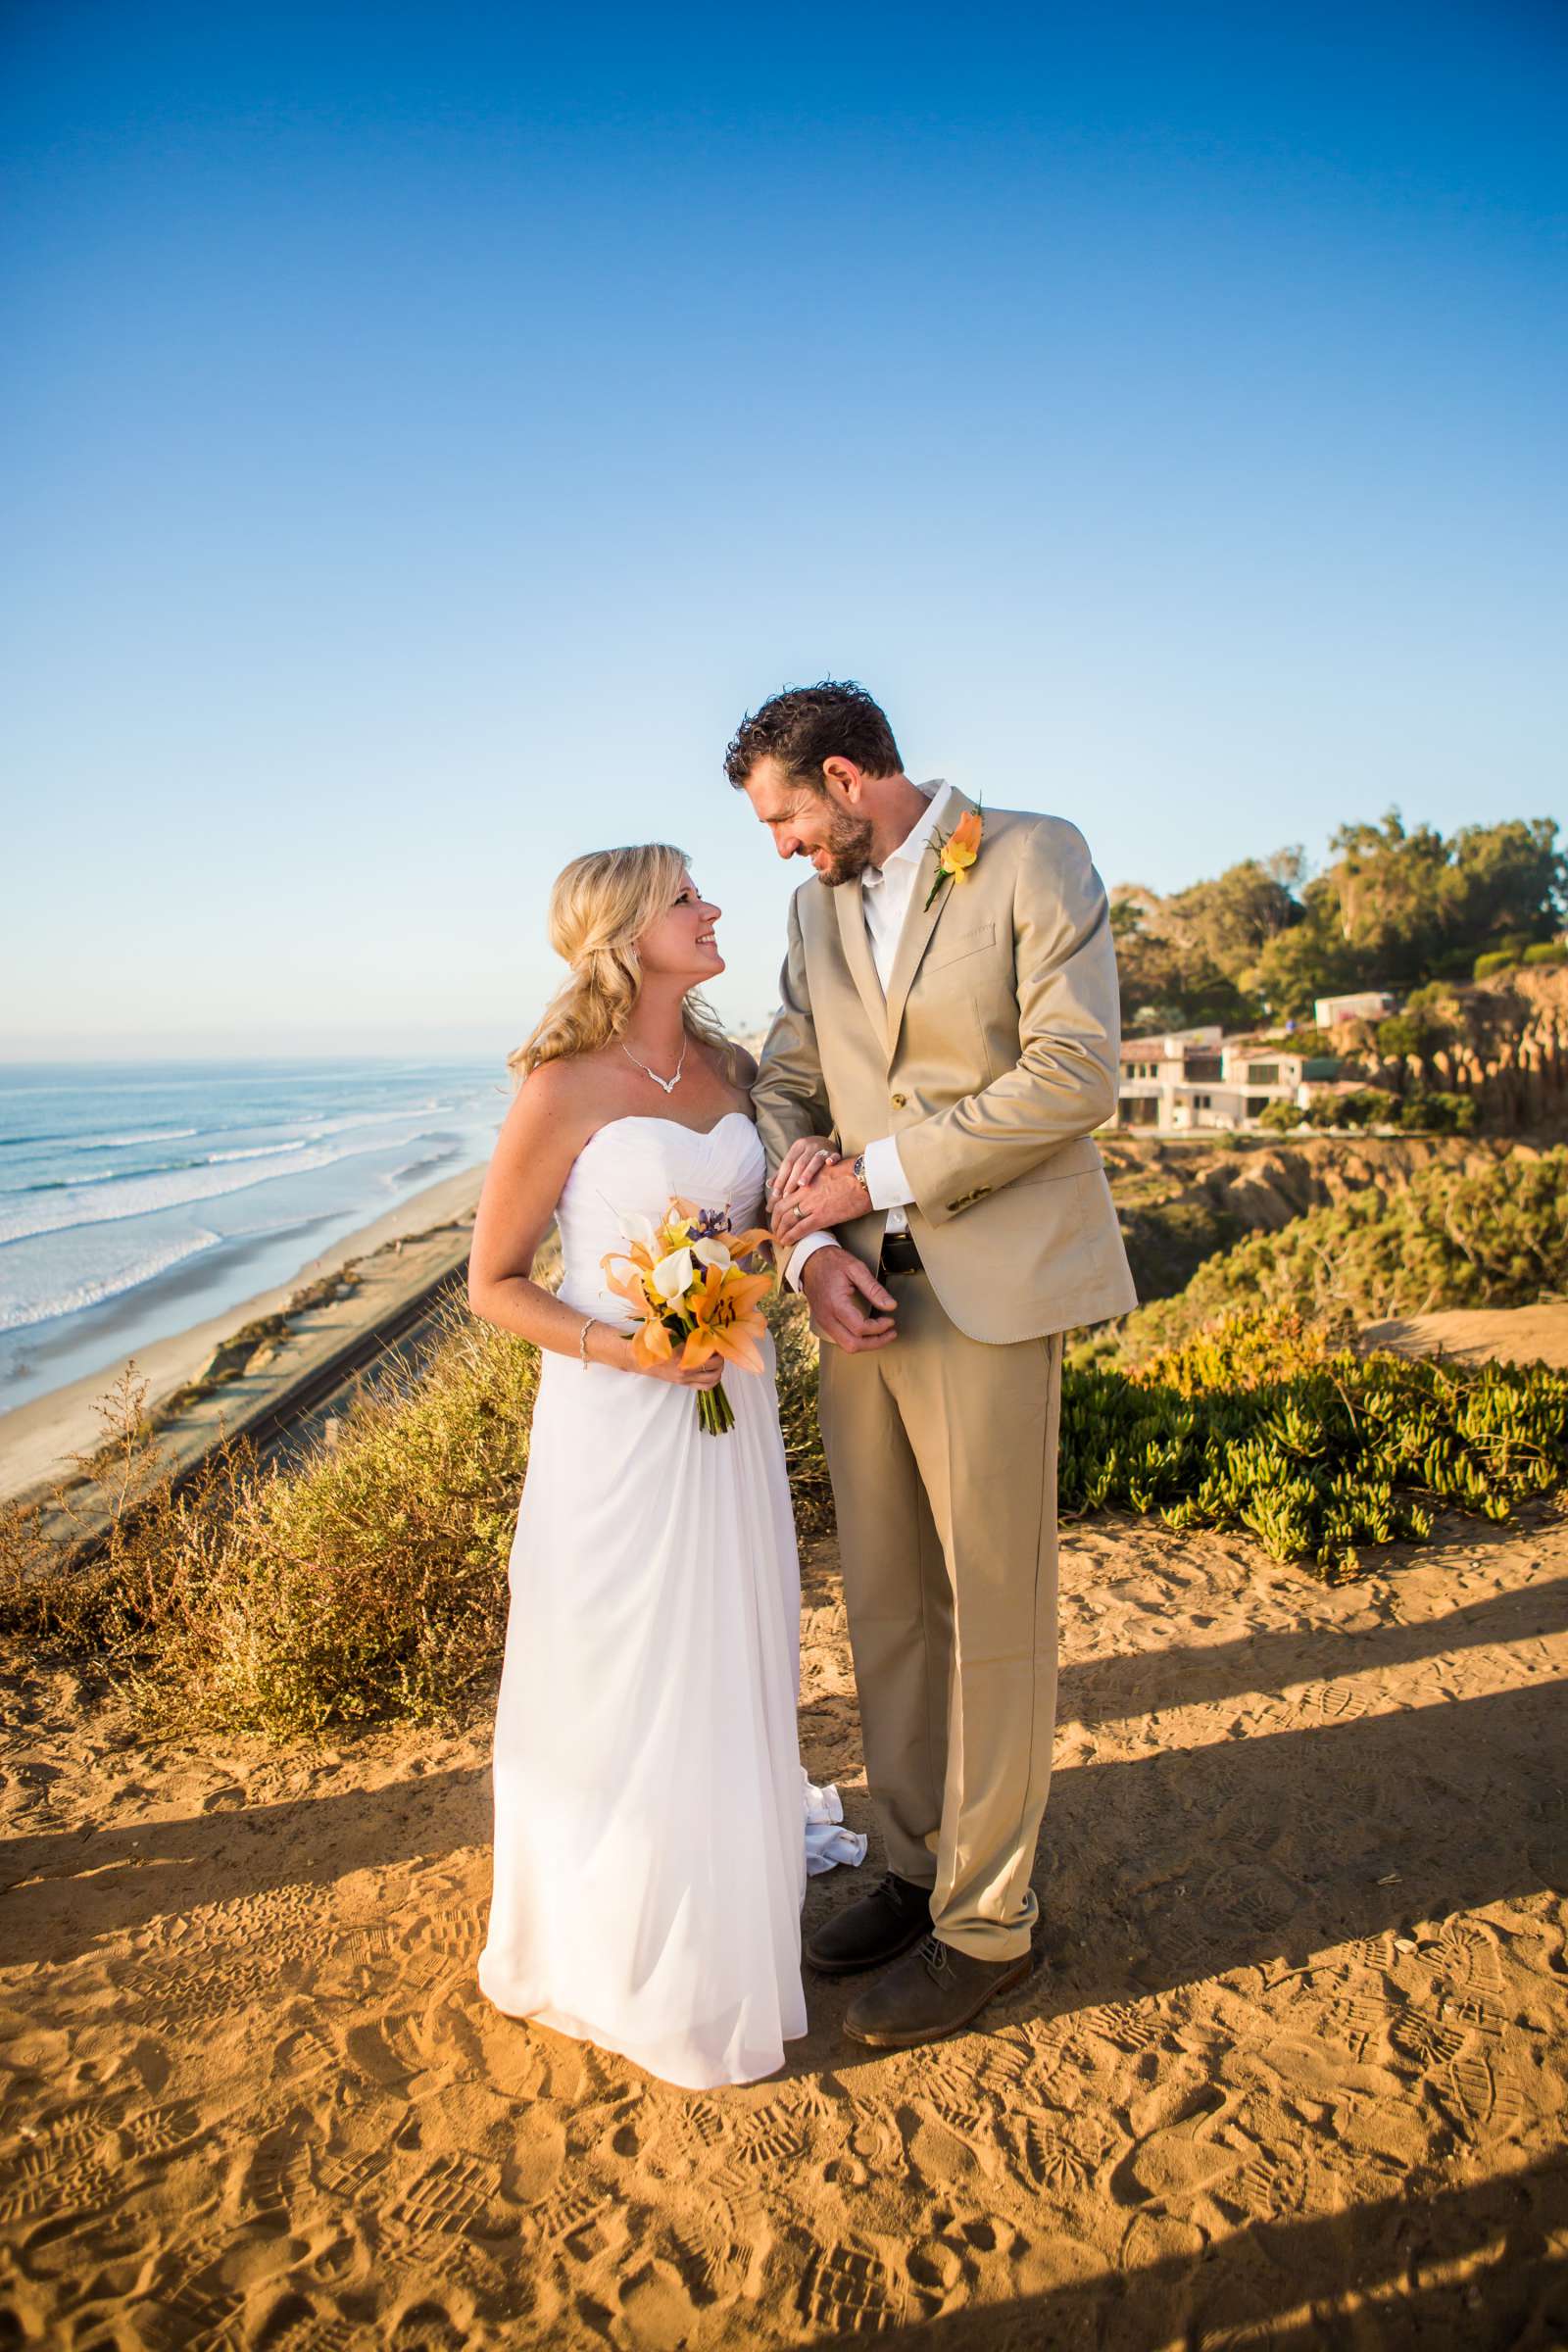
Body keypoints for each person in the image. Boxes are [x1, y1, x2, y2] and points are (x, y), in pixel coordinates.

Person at [734, 681, 1137, 2050]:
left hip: (995, 1289)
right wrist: (809, 1238)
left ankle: (988, 1928)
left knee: (998, 1614)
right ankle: (912, 1871)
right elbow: (789, 1079)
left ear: (848, 779)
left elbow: (1080, 1070)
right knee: (892, 1603)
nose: (782, 850)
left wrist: (885, 1172)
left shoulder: (1034, 853)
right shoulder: (811, 915)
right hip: (857, 1292)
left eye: (787, 818)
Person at [468, 843, 860, 2092]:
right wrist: (625, 1348)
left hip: (730, 1409)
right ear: (629, 934)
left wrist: (786, 1245)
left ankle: (715, 1889)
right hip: (616, 1423)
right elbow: (492, 1285)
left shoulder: (735, 1071)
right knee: (616, 1659)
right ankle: (608, 1937)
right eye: (686, 897)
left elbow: (754, 1227)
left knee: (727, 1644)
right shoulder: (560, 1086)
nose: (711, 909)